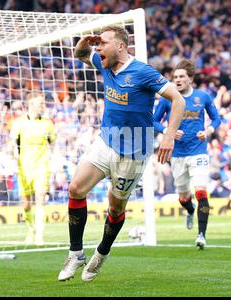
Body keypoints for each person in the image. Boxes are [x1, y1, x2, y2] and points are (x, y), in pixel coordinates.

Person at [58, 25, 185, 282]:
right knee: (75, 189)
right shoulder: (105, 63)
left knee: (115, 209)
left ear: (121, 46)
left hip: (134, 150)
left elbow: (178, 100)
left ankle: (101, 254)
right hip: (106, 141)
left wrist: (169, 135)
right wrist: (85, 40)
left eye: (103, 43)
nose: (98, 48)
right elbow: (81, 53)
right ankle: (75, 253)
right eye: (98, 44)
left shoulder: (143, 72)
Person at [153, 59, 221, 250]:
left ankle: (201, 235)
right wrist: (169, 130)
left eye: (182, 76)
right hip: (177, 154)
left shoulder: (203, 97)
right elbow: (153, 121)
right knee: (184, 197)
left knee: (200, 191)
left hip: (198, 152)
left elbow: (217, 119)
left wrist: (208, 131)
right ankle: (190, 210)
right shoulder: (168, 99)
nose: (178, 80)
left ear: (190, 78)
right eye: (175, 77)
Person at [9, 93, 56, 246]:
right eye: (40, 103)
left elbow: (53, 143)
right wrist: (12, 157)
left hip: (41, 166)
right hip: (24, 167)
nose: (43, 106)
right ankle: (31, 228)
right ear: (30, 104)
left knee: (40, 198)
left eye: (43, 103)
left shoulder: (48, 123)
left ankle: (40, 236)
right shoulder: (19, 123)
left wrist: (53, 159)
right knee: (26, 203)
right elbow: (12, 144)